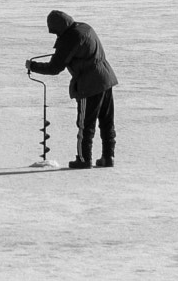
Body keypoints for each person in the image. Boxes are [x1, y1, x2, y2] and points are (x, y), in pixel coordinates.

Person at [27, 9, 118, 169]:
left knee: (85, 124)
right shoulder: (84, 27)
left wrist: (33, 66)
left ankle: (83, 159)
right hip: (106, 79)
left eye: (55, 32)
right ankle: (108, 157)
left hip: (89, 85)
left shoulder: (69, 39)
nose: (56, 36)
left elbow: (55, 67)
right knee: (106, 121)